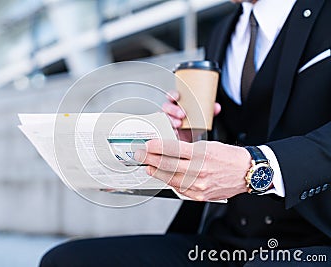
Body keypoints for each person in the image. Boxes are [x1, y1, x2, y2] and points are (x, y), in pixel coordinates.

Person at [40, 0, 330, 266]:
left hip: (318, 239)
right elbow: (236, 134)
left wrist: (257, 166)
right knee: (65, 261)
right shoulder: (221, 32)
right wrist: (185, 138)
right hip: (227, 242)